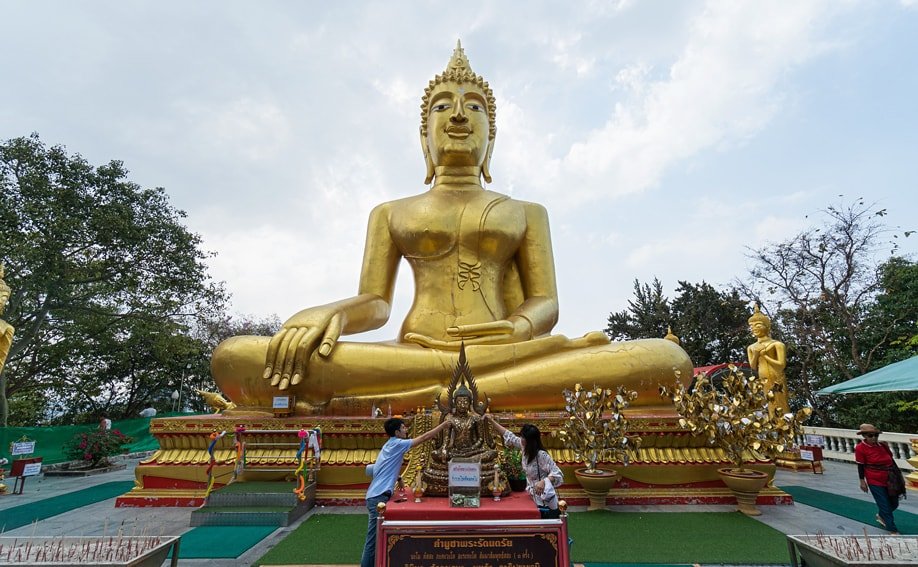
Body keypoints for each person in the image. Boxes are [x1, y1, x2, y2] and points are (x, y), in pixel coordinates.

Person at [211, 41, 692, 416]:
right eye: (442, 106)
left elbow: (546, 303)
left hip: (510, 352)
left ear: (491, 136)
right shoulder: (391, 211)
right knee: (238, 357)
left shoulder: (526, 210)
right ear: (425, 136)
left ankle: (428, 399)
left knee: (665, 361)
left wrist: (515, 329)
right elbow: (377, 305)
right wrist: (327, 312)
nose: (459, 114)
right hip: (412, 352)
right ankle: (469, 393)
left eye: (475, 107)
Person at [361, 417, 448, 567]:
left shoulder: (388, 446)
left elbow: (381, 467)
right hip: (378, 497)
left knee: (377, 538)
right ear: (397, 432)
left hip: (376, 495)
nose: (406, 430)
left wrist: (399, 477)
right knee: (373, 540)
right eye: (404, 428)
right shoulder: (398, 444)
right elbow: (424, 437)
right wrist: (443, 425)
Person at [422, 382, 500, 495]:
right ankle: (465, 461)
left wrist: (471, 449)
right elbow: (446, 440)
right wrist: (444, 450)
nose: (462, 405)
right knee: (435, 454)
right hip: (456, 452)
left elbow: (481, 440)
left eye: (465, 402)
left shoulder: (475, 419)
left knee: (492, 453)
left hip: (474, 451)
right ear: (454, 403)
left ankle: (463, 460)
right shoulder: (450, 419)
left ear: (470, 403)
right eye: (459, 402)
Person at [485, 414, 562, 516]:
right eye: (521, 436)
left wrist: (544, 481)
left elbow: (558, 474)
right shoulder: (524, 448)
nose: (521, 439)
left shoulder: (541, 455)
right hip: (532, 497)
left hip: (545, 501)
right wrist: (491, 421)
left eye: (523, 437)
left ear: (531, 441)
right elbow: (509, 435)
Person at [854, 423, 900, 534]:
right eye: (870, 436)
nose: (874, 438)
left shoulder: (883, 446)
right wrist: (862, 481)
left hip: (889, 477)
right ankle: (892, 529)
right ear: (864, 436)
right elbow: (860, 465)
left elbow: (891, 459)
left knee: (894, 502)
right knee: (884, 504)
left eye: (876, 435)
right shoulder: (860, 448)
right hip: (874, 479)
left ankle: (881, 515)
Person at [746, 305, 789, 416]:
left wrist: (765, 356)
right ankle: (772, 421)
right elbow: (753, 367)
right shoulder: (751, 347)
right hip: (763, 378)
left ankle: (785, 425)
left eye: (758, 325)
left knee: (780, 401)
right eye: (751, 326)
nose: (754, 328)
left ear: (767, 327)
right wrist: (756, 355)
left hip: (777, 377)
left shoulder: (777, 345)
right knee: (769, 401)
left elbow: (781, 365)